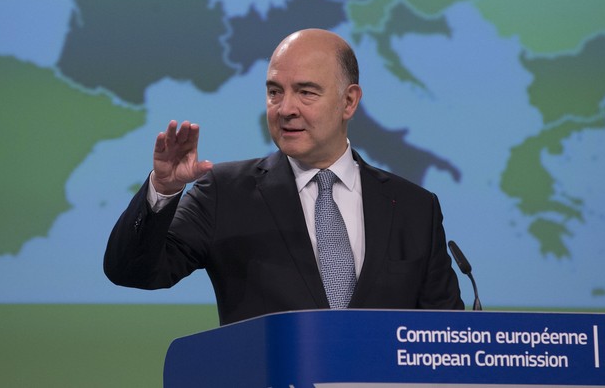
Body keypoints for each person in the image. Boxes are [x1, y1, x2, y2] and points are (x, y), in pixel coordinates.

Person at [104, 28, 464, 325]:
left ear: (349, 102)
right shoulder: (225, 193)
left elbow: (446, 337)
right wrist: (164, 189)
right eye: (275, 92)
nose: (285, 109)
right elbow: (133, 272)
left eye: (306, 92)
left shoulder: (415, 209)